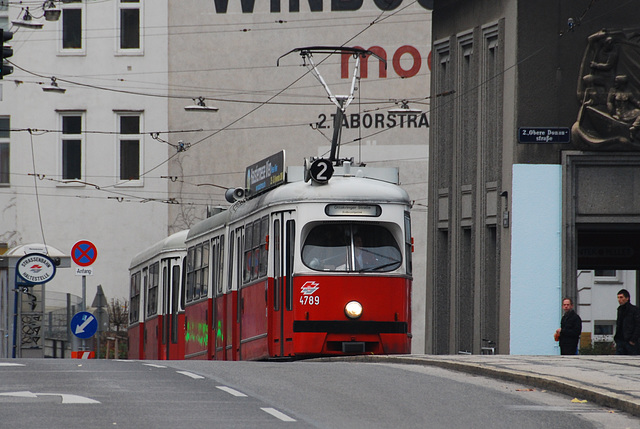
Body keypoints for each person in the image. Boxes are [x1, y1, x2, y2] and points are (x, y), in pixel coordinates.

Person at [614, 289, 640, 355]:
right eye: (618, 297)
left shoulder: (634, 310)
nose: (619, 300)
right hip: (620, 341)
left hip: (630, 342)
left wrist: (633, 339)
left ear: (627, 298)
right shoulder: (620, 310)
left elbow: (638, 325)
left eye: (621, 297)